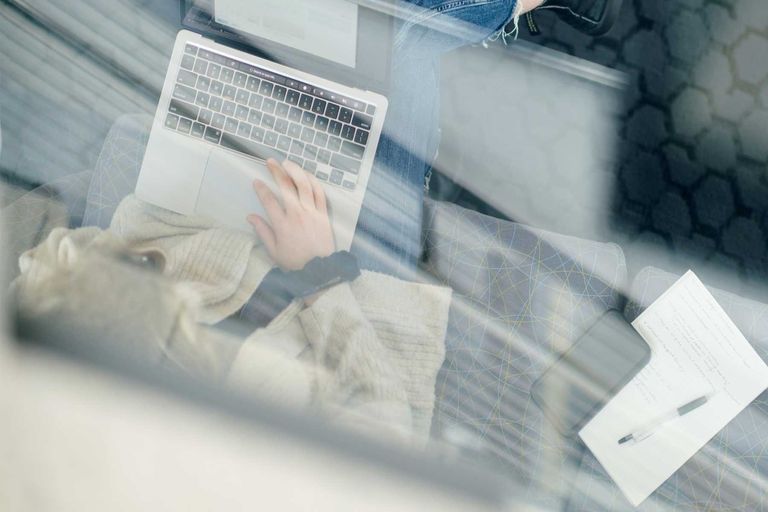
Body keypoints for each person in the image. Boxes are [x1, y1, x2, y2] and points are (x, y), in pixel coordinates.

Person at [12, 0, 622, 445]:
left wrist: (119, 279)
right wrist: (321, 274)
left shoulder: (42, 419)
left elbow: (49, 267)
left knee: (252, 11)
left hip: (191, 204)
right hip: (342, 262)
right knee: (395, 38)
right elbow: (387, 423)